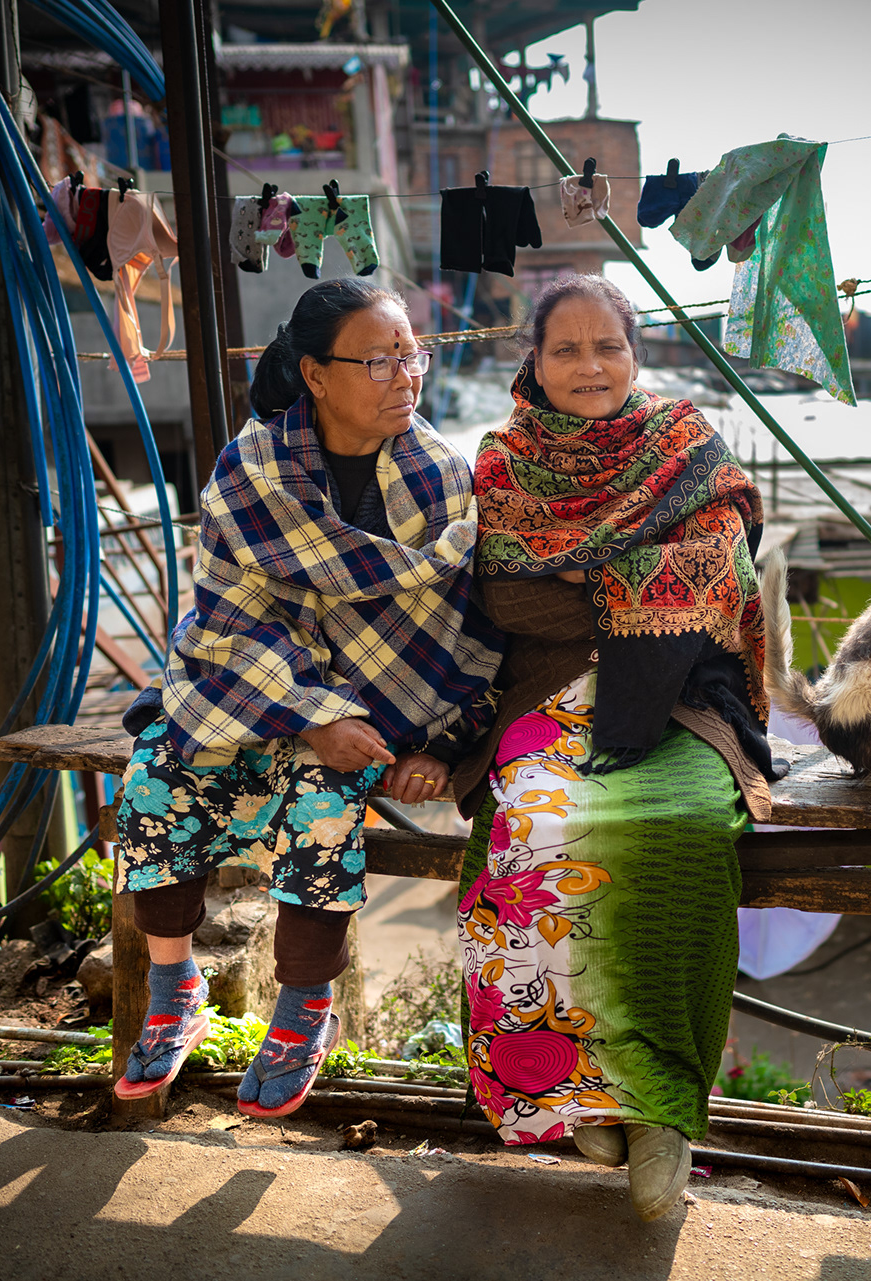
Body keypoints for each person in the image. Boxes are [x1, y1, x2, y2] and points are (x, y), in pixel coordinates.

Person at [112, 278, 503, 1118]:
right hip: (249, 686)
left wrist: (435, 739)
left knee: (324, 805)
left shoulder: (440, 477)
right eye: (380, 360)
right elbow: (226, 615)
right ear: (317, 374)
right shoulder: (252, 469)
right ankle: (175, 986)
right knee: (152, 779)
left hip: (382, 705)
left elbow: (463, 625)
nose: (406, 377)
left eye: (412, 355)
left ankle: (302, 1013)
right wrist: (312, 711)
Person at [452, 274, 778, 1219]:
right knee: (531, 837)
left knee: (677, 834)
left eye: (609, 346)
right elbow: (505, 593)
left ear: (635, 353)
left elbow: (726, 568)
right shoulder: (504, 460)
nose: (590, 366)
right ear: (536, 360)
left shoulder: (685, 443)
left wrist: (598, 585)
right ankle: (571, 1094)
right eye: (568, 348)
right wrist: (640, 584)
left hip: (681, 703)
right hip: (547, 698)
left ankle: (662, 1112)